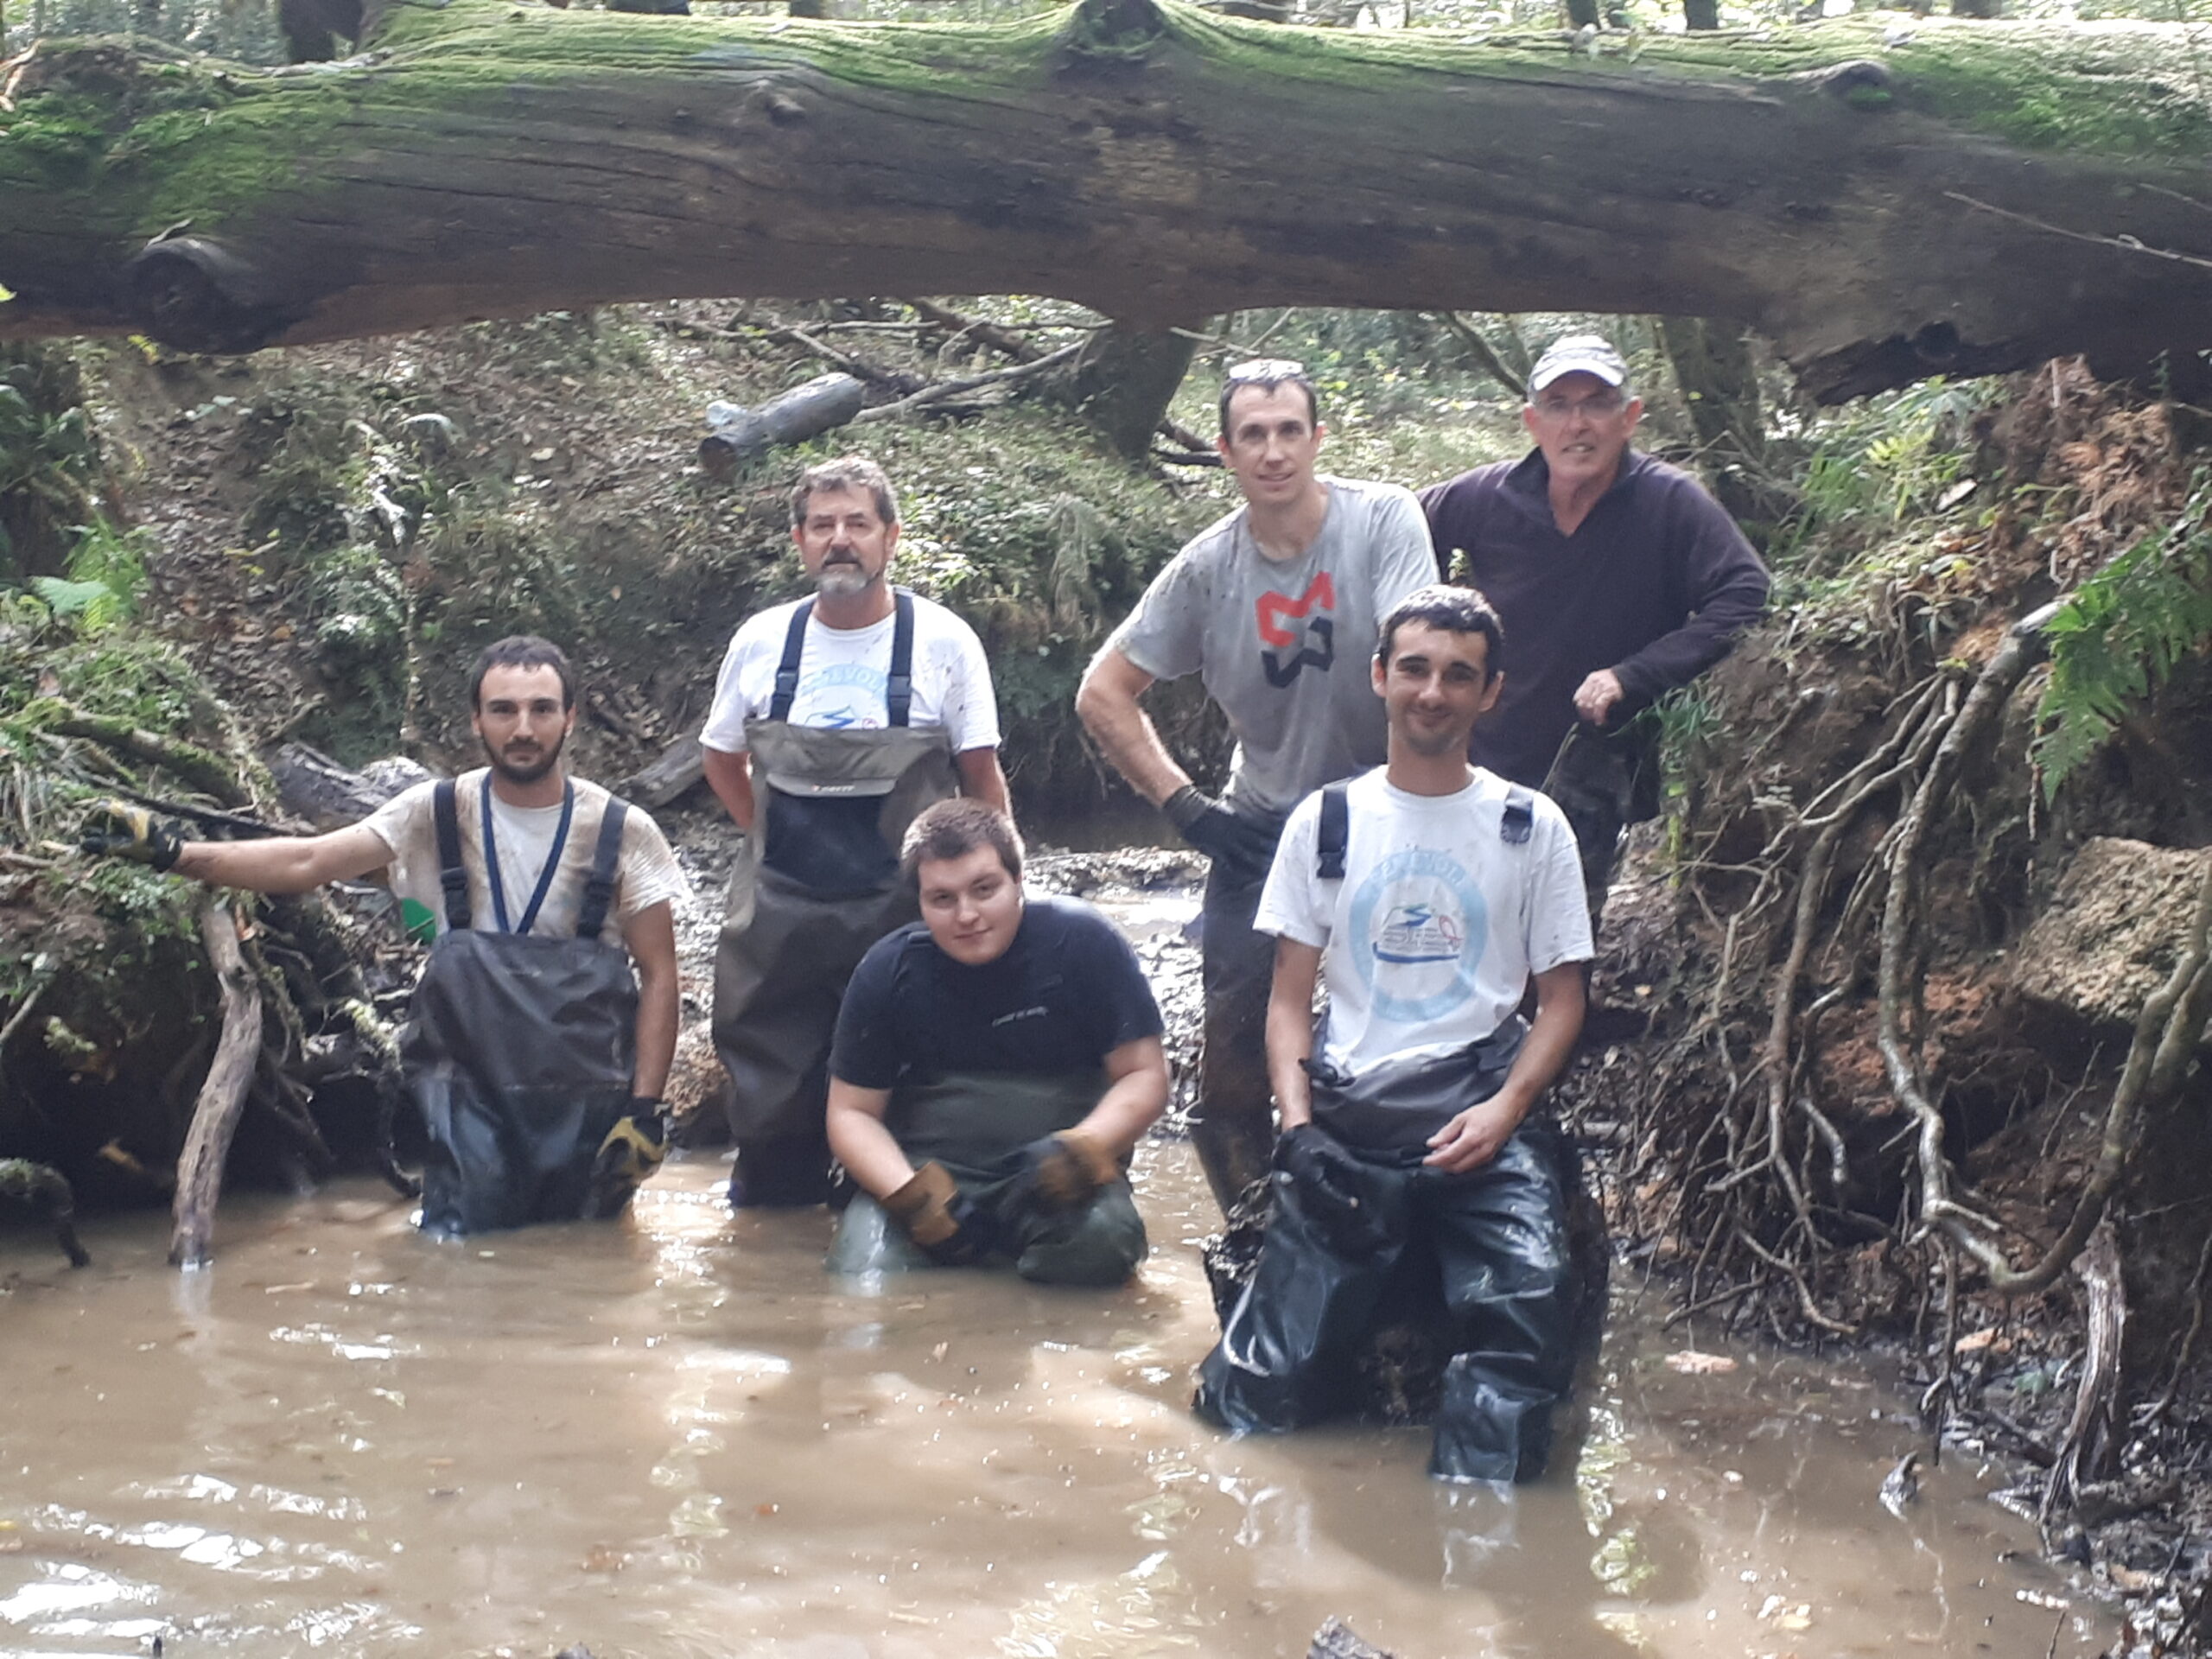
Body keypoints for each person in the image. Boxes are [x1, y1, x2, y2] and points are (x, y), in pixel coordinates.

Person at [79, 636, 688, 1237]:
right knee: (463, 1264)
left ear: (570, 717)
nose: (523, 727)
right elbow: (308, 862)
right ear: (477, 721)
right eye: (504, 709)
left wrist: (645, 1111)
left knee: (590, 1262)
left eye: (542, 709)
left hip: (589, 1110)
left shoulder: (622, 830)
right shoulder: (437, 812)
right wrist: (176, 853)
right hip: (468, 1104)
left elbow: (660, 973)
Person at [1194, 585, 1594, 1483]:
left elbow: (1560, 1001)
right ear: (1378, 676)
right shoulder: (1325, 820)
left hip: (1478, 1118)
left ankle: (1482, 1531)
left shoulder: (1531, 827)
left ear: (1489, 694)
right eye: (1413, 669)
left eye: (1459, 675)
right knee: (1253, 1392)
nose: (1432, 692)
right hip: (1347, 1119)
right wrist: (1296, 1128)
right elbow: (1290, 1000)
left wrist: (1504, 1114)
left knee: (1527, 1311)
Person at [1077, 359, 1439, 1214]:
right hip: (1261, 826)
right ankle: (1252, 1230)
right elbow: (1102, 690)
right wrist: (1186, 811)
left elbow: (1419, 654)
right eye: (1252, 435)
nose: (1273, 451)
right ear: (1225, 452)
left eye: (1288, 431)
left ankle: (1389, 1211)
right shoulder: (1208, 570)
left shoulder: (1383, 519)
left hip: (1386, 816)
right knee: (1232, 1052)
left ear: (1317, 438)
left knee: (1396, 1036)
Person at [700, 455, 1009, 1208]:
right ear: (800, 541)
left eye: (857, 524)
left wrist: (1004, 896)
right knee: (770, 1138)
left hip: (903, 917)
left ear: (890, 538)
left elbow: (981, 779)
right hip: (777, 925)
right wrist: (765, 838)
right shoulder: (761, 641)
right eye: (823, 526)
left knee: (911, 1104)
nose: (841, 540)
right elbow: (720, 759)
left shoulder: (944, 641)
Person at [1421, 333, 1770, 921]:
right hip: (1479, 751)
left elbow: (1745, 594)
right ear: (1532, 420)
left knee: (1559, 935)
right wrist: (1429, 649)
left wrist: (1633, 676)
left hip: (1595, 761)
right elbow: (1393, 535)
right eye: (1558, 405)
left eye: (1597, 403)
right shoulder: (1484, 496)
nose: (1577, 424)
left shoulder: (1670, 502)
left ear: (1629, 417)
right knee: (1457, 920)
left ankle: (1557, 1013)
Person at [821, 799, 1169, 1286]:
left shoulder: (1085, 943)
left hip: (1059, 1178)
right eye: (942, 899)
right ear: (919, 902)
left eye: (984, 890)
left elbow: (1145, 1073)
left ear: (1018, 881)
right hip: (929, 1173)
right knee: (864, 1279)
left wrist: (1086, 1148)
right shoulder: (887, 970)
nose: (967, 915)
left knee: (1103, 1245)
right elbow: (851, 1113)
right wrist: (913, 1198)